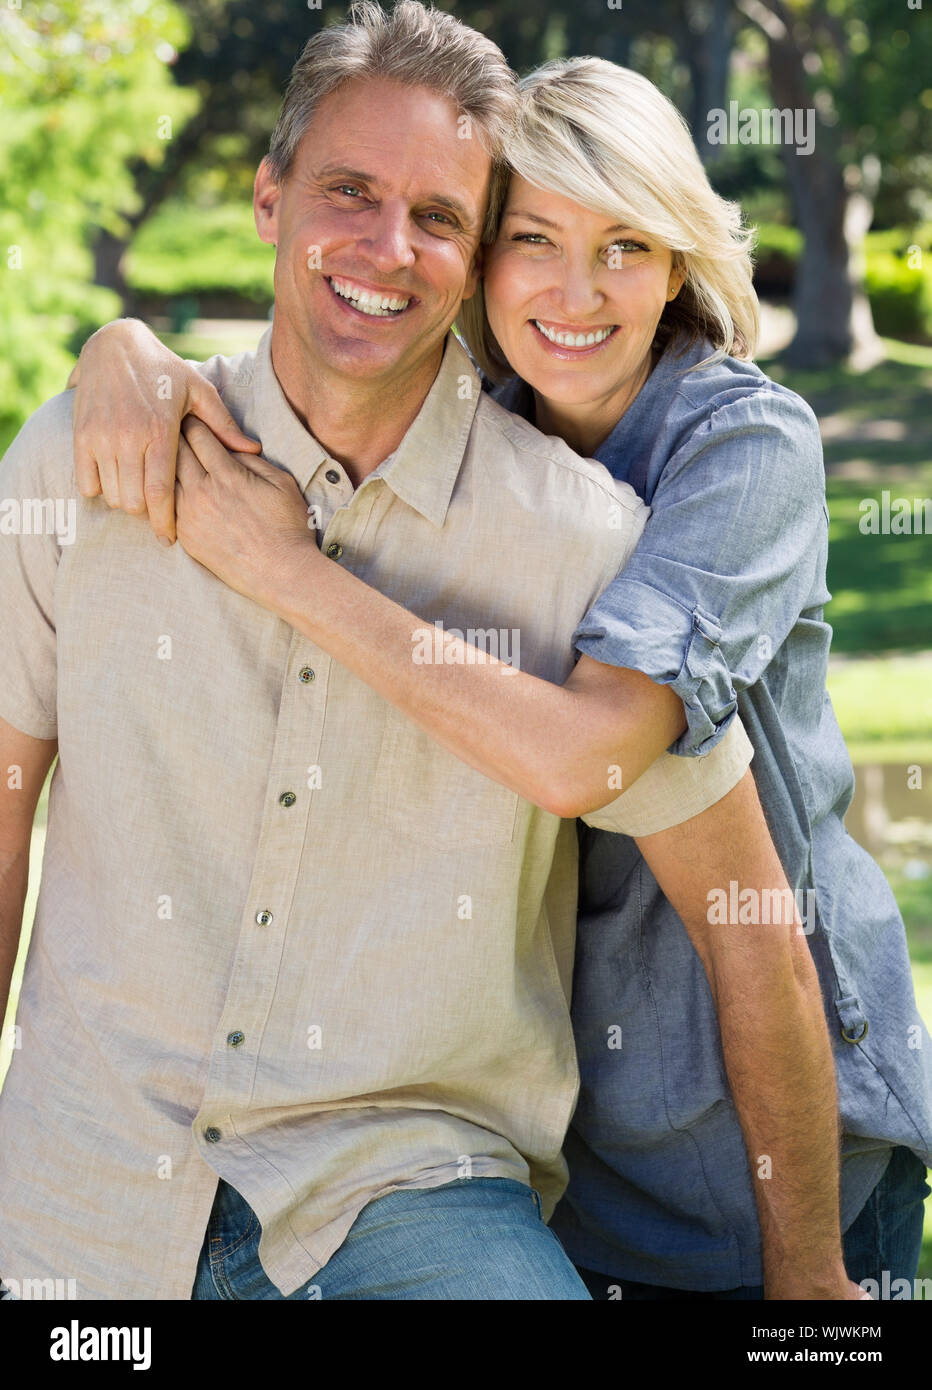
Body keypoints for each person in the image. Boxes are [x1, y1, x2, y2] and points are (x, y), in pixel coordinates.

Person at [71, 34, 931, 1299]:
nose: (575, 294)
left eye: (624, 246)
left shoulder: (742, 447)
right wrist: (121, 348)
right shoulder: (494, 420)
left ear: (677, 259)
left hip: (769, 1107)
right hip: (569, 1126)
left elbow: (588, 755)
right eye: (533, 240)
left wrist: (290, 572)